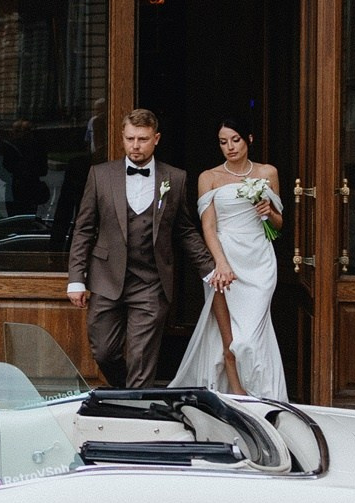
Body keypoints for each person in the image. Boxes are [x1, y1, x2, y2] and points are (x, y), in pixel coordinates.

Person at [67, 108, 214, 389]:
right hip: (106, 279)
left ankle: (135, 414)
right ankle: (130, 395)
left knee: (141, 357)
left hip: (151, 283)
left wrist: (208, 268)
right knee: (104, 351)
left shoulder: (175, 178)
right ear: (123, 137)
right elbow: (83, 229)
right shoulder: (100, 175)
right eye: (131, 138)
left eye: (143, 139)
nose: (136, 146)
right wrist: (76, 278)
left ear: (156, 138)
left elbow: (184, 230)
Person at [173, 121, 287, 399]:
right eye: (223, 142)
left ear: (248, 138)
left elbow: (278, 225)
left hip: (259, 260)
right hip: (225, 258)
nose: (230, 147)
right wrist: (220, 264)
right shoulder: (208, 177)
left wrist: (267, 212)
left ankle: (264, 393)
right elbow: (208, 228)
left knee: (251, 337)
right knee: (230, 337)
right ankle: (238, 393)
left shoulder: (267, 172)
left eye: (235, 140)